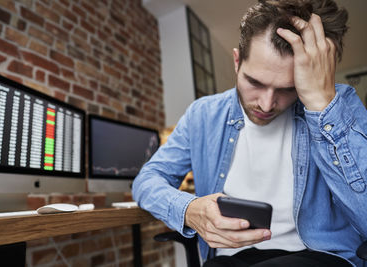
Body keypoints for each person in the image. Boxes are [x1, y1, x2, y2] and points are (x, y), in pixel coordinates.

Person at [133, 0, 367, 266]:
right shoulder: (204, 114)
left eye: (289, 89)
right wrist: (188, 209)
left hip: (319, 256)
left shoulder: (338, 104)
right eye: (254, 82)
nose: (266, 104)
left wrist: (321, 104)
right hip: (231, 259)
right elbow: (146, 180)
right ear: (236, 62)